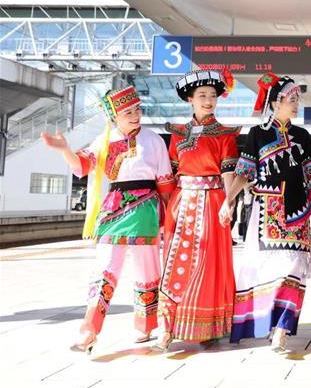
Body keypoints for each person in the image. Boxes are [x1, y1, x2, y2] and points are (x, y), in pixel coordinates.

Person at [41, 86, 174, 353]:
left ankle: (145, 325)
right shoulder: (103, 140)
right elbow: (83, 166)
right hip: (112, 210)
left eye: (137, 110)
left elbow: (165, 183)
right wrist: (65, 149)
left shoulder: (154, 140)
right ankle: (89, 330)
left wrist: (169, 218)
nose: (135, 115)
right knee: (104, 270)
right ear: (114, 116)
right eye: (128, 112)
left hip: (146, 209)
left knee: (147, 271)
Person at [226, 74, 311, 352]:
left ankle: (282, 328)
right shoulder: (257, 134)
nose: (296, 104)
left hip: (298, 211)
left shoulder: (302, 136)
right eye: (290, 99)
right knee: (266, 270)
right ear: (275, 102)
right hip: (265, 213)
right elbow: (244, 172)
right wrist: (228, 200)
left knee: (294, 269)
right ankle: (266, 322)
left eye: (297, 99)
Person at [156, 70, 239, 351]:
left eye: (213, 95)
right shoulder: (177, 134)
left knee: (208, 264)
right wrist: (164, 208)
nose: (209, 100)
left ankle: (207, 326)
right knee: (174, 265)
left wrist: (229, 202)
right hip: (182, 203)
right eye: (202, 95)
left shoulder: (225, 135)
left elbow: (228, 172)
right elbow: (169, 175)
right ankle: (167, 326)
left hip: (213, 202)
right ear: (189, 99)